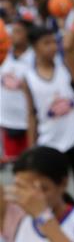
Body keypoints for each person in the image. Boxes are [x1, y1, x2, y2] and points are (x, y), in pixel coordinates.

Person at [21, 26, 74, 185]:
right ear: (35, 47)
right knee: (54, 189)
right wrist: (32, 148)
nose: (53, 47)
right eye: (46, 43)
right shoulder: (28, 78)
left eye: (54, 42)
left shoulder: (66, 65)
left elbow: (70, 45)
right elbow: (31, 115)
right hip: (50, 141)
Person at [0, 17, 34, 163]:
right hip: (7, 122)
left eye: (18, 31)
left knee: (30, 165)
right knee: (13, 166)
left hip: (28, 123)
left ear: (28, 34)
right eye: (12, 32)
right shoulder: (4, 55)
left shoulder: (35, 58)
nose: (13, 35)